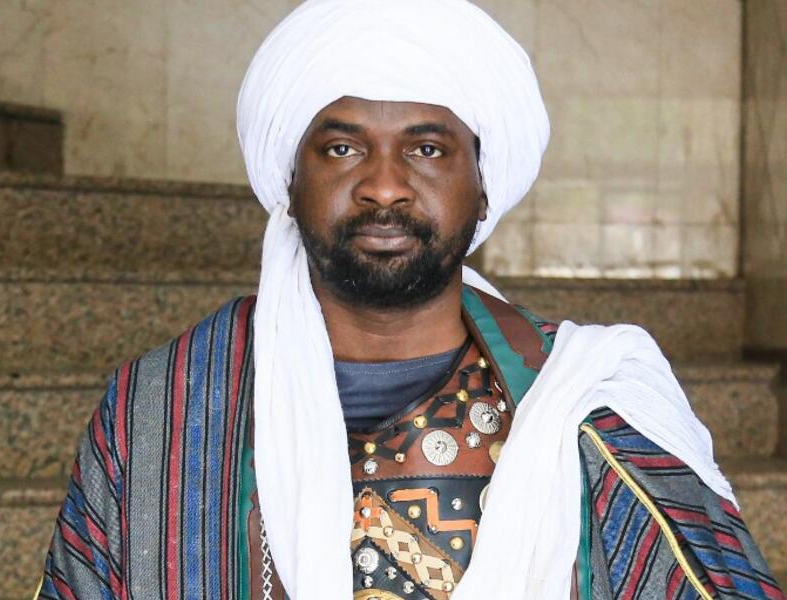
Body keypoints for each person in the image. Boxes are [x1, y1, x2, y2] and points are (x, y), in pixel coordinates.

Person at [38, 1, 783, 599]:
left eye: (427, 149)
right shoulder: (165, 408)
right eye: (342, 148)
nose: (385, 186)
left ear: (483, 187)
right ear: (289, 182)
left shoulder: (591, 408)